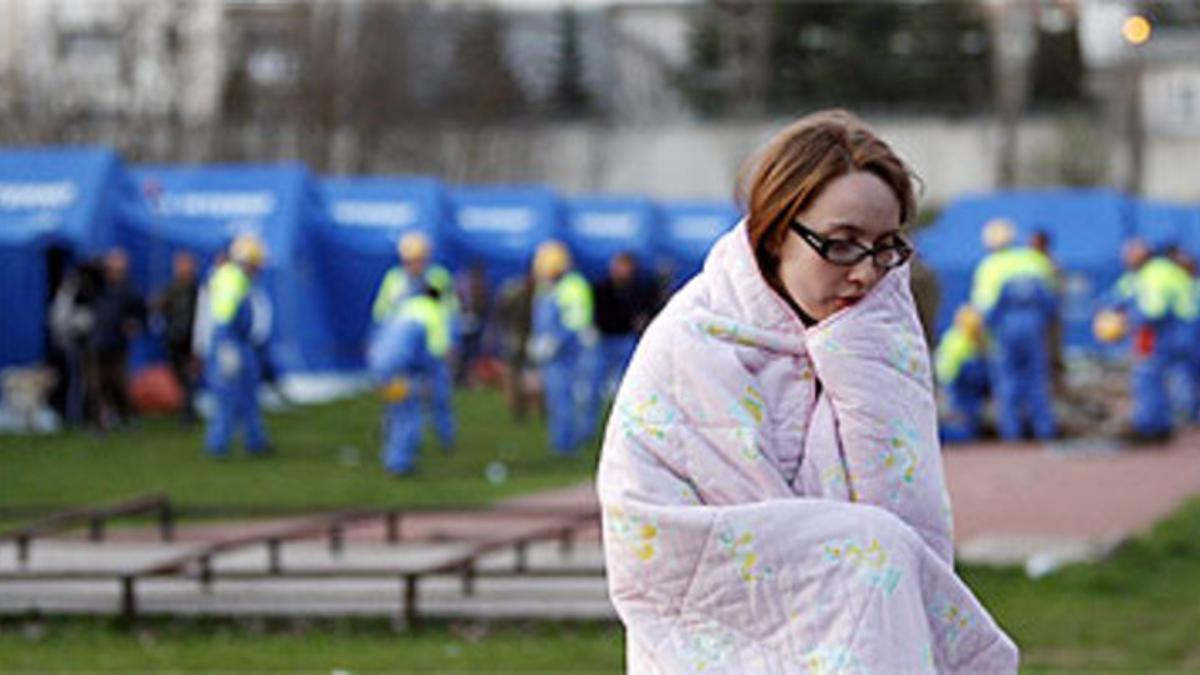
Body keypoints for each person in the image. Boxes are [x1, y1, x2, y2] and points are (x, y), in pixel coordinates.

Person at [597, 110, 1016, 671]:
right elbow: (649, 534)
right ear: (775, 233)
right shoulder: (689, 347)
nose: (866, 274)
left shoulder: (885, 344)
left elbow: (916, 529)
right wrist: (861, 552)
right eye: (842, 244)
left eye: (885, 247)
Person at [970, 219, 1058, 441]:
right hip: (1035, 325)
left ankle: (1012, 433)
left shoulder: (989, 266)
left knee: (1007, 380)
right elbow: (1052, 299)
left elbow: (984, 308)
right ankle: (1044, 430)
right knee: (1037, 379)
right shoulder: (1034, 259)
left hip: (1005, 327)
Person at [1104, 239, 1197, 440]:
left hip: (1178, 329)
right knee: (1160, 377)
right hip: (1173, 330)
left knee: (1150, 375)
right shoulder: (1141, 274)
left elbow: (1154, 311)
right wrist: (1108, 310)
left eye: (1130, 253)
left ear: (1142, 254)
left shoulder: (1157, 272)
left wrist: (1127, 322)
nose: (1126, 258)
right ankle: (1162, 424)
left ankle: (1151, 426)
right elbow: (1120, 295)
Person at [371, 232, 456, 450]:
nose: (414, 265)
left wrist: (449, 343)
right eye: (410, 260)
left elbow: (448, 313)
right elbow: (382, 313)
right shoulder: (394, 280)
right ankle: (395, 441)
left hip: (433, 348)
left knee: (439, 395)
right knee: (401, 399)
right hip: (402, 350)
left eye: (419, 260)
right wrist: (377, 340)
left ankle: (445, 436)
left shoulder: (437, 279)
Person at [204, 234, 271, 457]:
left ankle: (255, 441)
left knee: (248, 395)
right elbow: (224, 315)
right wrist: (226, 347)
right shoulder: (231, 279)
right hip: (230, 343)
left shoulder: (238, 279)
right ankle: (218, 444)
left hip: (242, 343)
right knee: (228, 396)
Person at [529, 240, 598, 455]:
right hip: (553, 354)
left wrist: (554, 342)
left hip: (570, 353)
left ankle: (567, 445)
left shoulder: (572, 286)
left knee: (568, 398)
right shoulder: (547, 288)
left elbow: (575, 323)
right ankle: (561, 442)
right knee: (557, 399)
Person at [367, 289, 445, 475]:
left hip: (379, 366)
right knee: (408, 414)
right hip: (397, 371)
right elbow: (429, 351)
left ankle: (391, 457)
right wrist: (427, 377)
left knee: (394, 412)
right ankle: (399, 464)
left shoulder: (405, 307)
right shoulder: (431, 314)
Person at [88, 248, 147, 430]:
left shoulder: (130, 291)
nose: (115, 268)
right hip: (97, 342)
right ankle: (98, 424)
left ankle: (126, 417)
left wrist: (135, 325)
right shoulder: (98, 286)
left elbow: (141, 316)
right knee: (96, 385)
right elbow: (86, 269)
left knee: (119, 384)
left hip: (118, 343)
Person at [591, 251, 661, 403]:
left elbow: (651, 309)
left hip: (628, 340)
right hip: (605, 340)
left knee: (629, 384)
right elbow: (599, 315)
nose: (619, 269)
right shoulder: (602, 287)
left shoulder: (642, 288)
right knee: (595, 386)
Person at [155, 251, 200, 423]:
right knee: (178, 374)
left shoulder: (198, 289)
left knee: (190, 375)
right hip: (174, 338)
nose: (182, 269)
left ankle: (188, 412)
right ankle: (186, 407)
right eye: (179, 265)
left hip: (192, 338)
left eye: (186, 265)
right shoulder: (171, 288)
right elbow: (163, 309)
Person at [935, 305, 990, 442]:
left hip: (956, 383)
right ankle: (943, 434)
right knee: (964, 426)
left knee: (968, 421)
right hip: (958, 383)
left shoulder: (955, 336)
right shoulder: (960, 340)